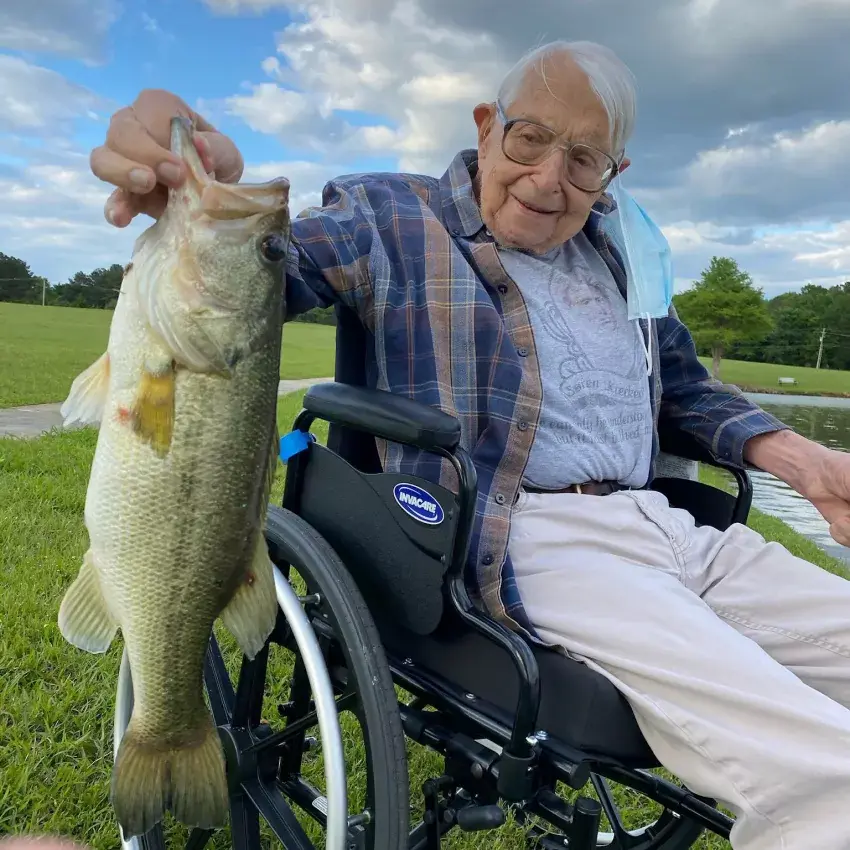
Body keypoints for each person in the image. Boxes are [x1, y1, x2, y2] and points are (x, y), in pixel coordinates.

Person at [89, 40, 850, 850]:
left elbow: (687, 390)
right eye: (530, 139)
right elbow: (255, 279)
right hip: (527, 540)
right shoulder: (388, 216)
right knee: (824, 774)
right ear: (487, 126)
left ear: (613, 175)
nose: (549, 179)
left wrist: (806, 463)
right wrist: (193, 176)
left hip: (675, 532)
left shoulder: (622, 257)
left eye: (583, 160)